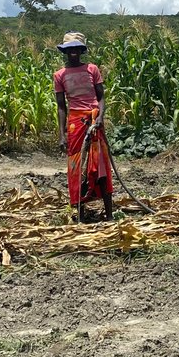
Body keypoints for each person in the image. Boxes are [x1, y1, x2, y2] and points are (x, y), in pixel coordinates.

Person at [53, 32, 114, 222]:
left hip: (95, 121)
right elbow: (61, 107)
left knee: (100, 165)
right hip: (75, 124)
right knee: (76, 167)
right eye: (69, 49)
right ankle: (80, 215)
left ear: (81, 50)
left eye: (76, 48)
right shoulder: (59, 75)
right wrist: (61, 135)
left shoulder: (92, 69)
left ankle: (109, 214)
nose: (73, 52)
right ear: (65, 51)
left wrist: (101, 117)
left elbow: (101, 97)